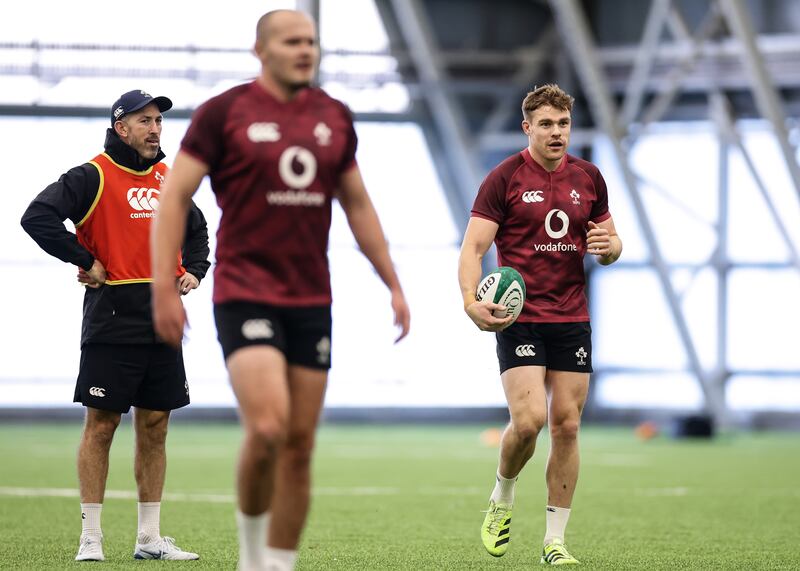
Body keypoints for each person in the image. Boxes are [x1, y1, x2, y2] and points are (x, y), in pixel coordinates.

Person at [150, 10, 410, 571]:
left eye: (311, 41)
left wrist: (392, 282)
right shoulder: (225, 113)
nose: (305, 50)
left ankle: (280, 565)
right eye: (292, 41)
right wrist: (163, 289)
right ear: (260, 50)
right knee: (267, 427)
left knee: (299, 445)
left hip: (312, 299)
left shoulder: (334, 118)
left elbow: (358, 204)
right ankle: (250, 559)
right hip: (245, 291)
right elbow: (173, 199)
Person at [20, 89, 209, 562]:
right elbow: (37, 217)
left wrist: (195, 270)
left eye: (159, 121)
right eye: (144, 121)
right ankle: (91, 538)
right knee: (101, 425)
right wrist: (85, 259)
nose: (155, 129)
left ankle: (149, 539)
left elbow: (198, 230)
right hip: (112, 316)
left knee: (156, 424)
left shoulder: (171, 179)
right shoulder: (92, 176)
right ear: (121, 127)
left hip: (164, 316)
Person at [458, 84, 622, 565]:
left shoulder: (590, 177)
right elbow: (472, 249)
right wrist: (471, 301)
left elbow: (611, 241)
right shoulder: (503, 178)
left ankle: (555, 541)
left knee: (566, 426)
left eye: (564, 123)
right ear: (527, 127)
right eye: (546, 124)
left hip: (572, 316)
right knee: (528, 423)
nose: (556, 133)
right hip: (520, 317)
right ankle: (501, 498)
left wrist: (609, 249)